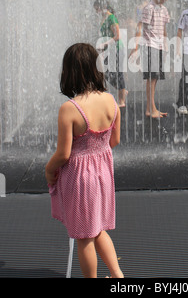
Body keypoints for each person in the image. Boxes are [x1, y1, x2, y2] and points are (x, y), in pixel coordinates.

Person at [45, 43, 123, 279]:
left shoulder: (70, 109)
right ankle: (117, 275)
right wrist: (96, 152)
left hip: (79, 179)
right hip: (103, 174)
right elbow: (115, 140)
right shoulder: (111, 100)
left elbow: (63, 154)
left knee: (83, 237)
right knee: (98, 229)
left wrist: (49, 170)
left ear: (69, 72)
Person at [130, 0, 172, 118]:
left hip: (159, 46)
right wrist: (135, 46)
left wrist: (166, 47)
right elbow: (140, 26)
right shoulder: (149, 8)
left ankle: (151, 109)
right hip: (149, 46)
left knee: (155, 79)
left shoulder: (164, 10)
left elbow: (164, 30)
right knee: (151, 78)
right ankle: (151, 109)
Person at [94, 0, 127, 107]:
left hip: (116, 49)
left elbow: (117, 36)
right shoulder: (104, 18)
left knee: (118, 73)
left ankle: (121, 101)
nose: (96, 12)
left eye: (97, 9)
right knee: (106, 74)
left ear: (103, 7)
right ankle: (122, 90)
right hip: (109, 50)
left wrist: (104, 44)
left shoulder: (111, 18)